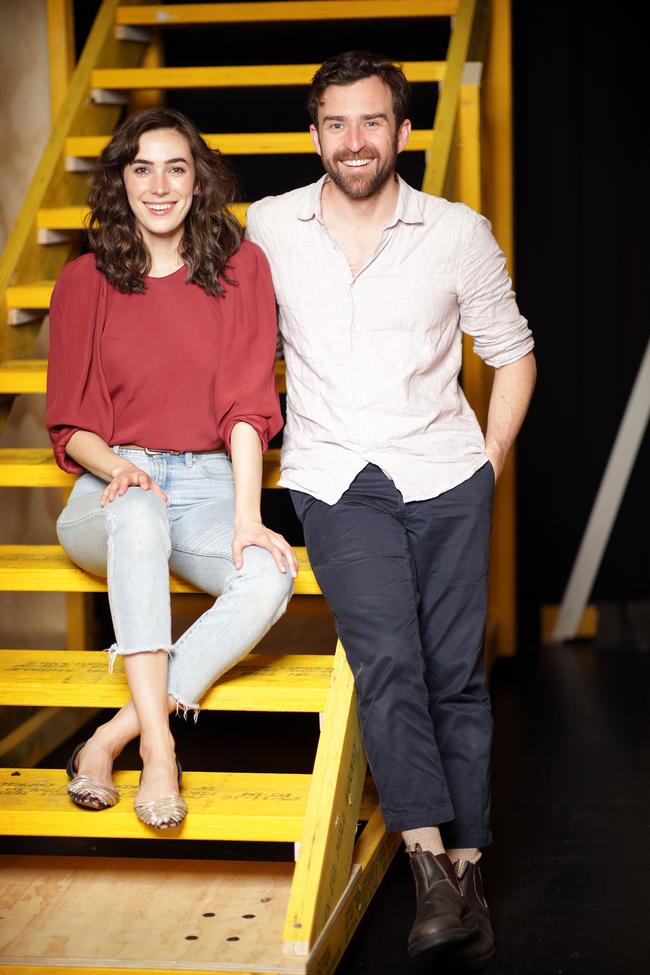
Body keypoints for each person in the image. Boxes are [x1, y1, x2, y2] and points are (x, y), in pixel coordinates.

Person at [246, 51, 536, 967]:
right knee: (388, 659)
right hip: (335, 477)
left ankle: (466, 866)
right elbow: (231, 348)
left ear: (403, 133)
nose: (353, 140)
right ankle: (425, 866)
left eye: (372, 122)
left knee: (454, 671)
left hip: (446, 471)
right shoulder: (270, 228)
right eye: (335, 123)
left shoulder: (456, 231)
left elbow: (514, 351)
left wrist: (487, 464)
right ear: (314, 134)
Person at [47, 107, 297, 830]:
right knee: (136, 505)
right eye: (141, 168)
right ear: (121, 181)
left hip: (210, 486)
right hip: (107, 488)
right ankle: (160, 751)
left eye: (176, 168)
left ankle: (109, 734)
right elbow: (71, 421)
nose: (159, 186)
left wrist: (249, 518)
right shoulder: (83, 282)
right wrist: (119, 466)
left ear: (198, 180)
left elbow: (249, 406)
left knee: (270, 574)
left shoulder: (242, 270)